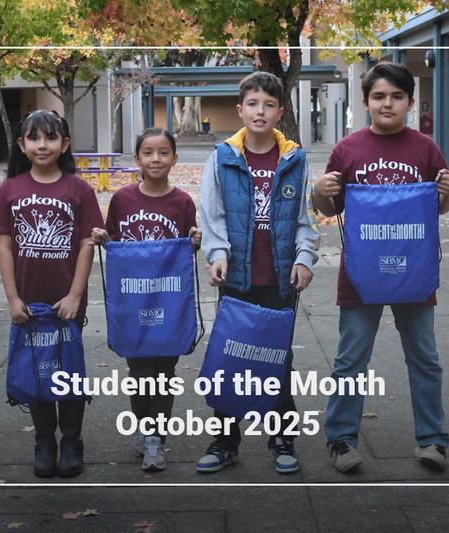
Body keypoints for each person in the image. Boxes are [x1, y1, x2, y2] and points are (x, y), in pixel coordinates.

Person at [312, 62, 449, 473]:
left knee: (425, 357)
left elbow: (439, 207)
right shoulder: (348, 149)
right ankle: (341, 438)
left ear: (410, 102)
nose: (387, 103)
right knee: (350, 359)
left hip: (414, 271)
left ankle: (432, 439)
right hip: (362, 273)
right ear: (365, 103)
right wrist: (319, 192)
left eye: (396, 96)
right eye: (379, 96)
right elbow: (329, 207)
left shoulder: (425, 148)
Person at [198, 71, 319, 475]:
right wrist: (216, 254)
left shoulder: (295, 159)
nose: (260, 111)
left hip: (280, 279)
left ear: (280, 111)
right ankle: (224, 441)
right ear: (240, 110)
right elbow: (211, 215)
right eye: (252, 104)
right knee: (229, 360)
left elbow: (305, 218)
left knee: (277, 362)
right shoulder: (222, 157)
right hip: (236, 279)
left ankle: (282, 439)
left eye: (269, 104)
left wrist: (304, 258)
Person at [0, 109, 104, 478]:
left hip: (65, 302)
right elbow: (5, 246)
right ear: (22, 144)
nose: (42, 145)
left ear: (64, 143)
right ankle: (44, 441)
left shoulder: (78, 189)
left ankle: (71, 440)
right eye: (34, 138)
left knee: (67, 372)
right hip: (29, 303)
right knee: (38, 371)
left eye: (50, 137)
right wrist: (11, 298)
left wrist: (75, 295)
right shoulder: (11, 188)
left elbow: (87, 244)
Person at [91, 128, 201, 472]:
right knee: (139, 372)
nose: (156, 159)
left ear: (174, 158)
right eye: (149, 153)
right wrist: (103, 238)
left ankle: (156, 439)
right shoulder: (123, 200)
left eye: (164, 152)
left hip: (168, 303)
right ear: (137, 158)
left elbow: (186, 247)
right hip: (133, 302)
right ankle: (144, 424)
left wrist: (194, 241)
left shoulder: (182, 202)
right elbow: (116, 247)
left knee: (165, 372)